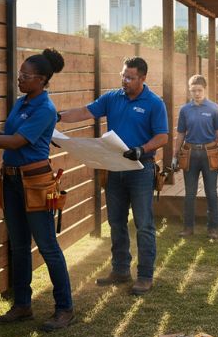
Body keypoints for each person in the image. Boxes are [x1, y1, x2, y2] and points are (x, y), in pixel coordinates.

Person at [0, 48, 75, 331]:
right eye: (19, 74)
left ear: (42, 80)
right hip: (11, 182)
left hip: (35, 184)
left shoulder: (45, 109)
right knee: (18, 246)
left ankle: (65, 308)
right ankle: (22, 305)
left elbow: (18, 142)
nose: (19, 79)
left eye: (25, 75)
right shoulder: (22, 103)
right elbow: (9, 136)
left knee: (48, 247)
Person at [59, 56, 168, 295]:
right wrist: (57, 117)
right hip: (114, 168)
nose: (125, 81)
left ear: (143, 78)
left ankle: (145, 276)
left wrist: (142, 149)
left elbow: (162, 137)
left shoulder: (154, 103)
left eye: (130, 77)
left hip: (141, 169)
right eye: (123, 75)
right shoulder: (112, 97)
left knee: (144, 224)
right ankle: (120, 270)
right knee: (116, 222)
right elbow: (85, 111)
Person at [172, 75, 218, 240]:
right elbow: (181, 133)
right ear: (189, 90)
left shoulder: (214, 109)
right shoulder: (185, 110)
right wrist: (175, 156)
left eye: (199, 90)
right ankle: (188, 228)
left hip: (210, 154)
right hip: (190, 154)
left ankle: (212, 229)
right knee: (189, 193)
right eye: (193, 90)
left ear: (205, 90)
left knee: (211, 192)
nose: (196, 93)